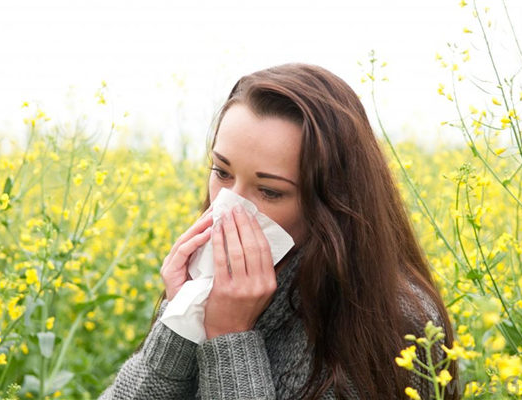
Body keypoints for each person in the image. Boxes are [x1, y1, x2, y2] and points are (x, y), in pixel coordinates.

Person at [98, 63, 459, 400]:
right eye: (222, 172)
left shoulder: (396, 324)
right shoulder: (207, 285)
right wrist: (182, 322)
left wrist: (230, 339)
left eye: (270, 191)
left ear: (331, 202)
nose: (229, 206)